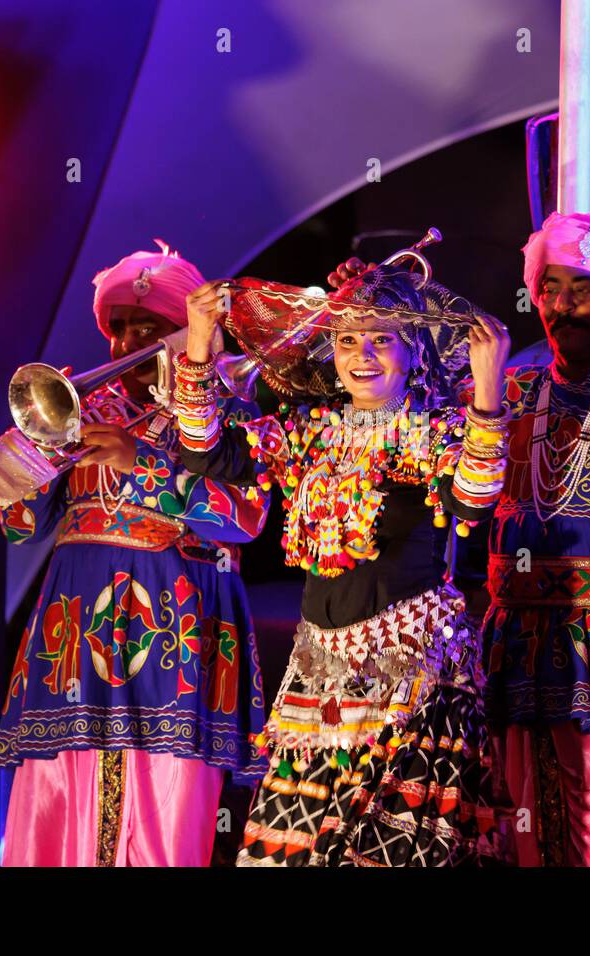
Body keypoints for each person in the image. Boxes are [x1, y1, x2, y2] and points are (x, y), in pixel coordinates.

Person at [332, 186, 590, 866]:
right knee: (524, 836)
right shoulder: (506, 390)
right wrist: (373, 300)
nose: (562, 306)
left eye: (583, 290)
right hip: (517, 640)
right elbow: (402, 388)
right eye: (550, 289)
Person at [176, 262, 511, 865]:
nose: (363, 354)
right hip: (317, 675)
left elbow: (475, 499)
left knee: (387, 850)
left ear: (413, 350)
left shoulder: (431, 430)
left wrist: (489, 391)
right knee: (298, 851)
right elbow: (204, 452)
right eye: (348, 339)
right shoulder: (307, 431)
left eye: (382, 338)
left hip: (410, 674)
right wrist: (200, 338)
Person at [0, 242, 268, 866]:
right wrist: (30, 450)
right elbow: (20, 528)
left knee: (166, 815)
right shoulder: (86, 408)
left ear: (185, 332)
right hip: (74, 639)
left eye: (147, 331)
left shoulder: (236, 409)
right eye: (118, 331)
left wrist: (138, 464)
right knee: (59, 805)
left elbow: (245, 518)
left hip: (179, 635)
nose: (124, 347)